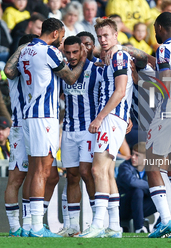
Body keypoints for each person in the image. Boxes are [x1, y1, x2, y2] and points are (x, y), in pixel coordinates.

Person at [4, 17, 87, 237]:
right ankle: (37, 228)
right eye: (61, 35)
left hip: (28, 117)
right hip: (44, 117)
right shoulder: (50, 52)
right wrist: (82, 61)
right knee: (41, 171)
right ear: (56, 32)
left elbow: (9, 71)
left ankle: (29, 226)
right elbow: (69, 79)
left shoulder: (25, 52)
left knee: (34, 171)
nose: (61, 40)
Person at [136, 12, 171, 239]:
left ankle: (166, 222)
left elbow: (165, 82)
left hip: (168, 112)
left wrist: (138, 80)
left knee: (152, 166)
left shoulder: (164, 50)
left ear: (159, 27)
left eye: (155, 29)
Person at [78, 17, 133, 238]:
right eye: (99, 36)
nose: (102, 40)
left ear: (116, 35)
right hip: (115, 117)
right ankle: (114, 227)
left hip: (110, 118)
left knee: (97, 170)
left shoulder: (119, 56)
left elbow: (120, 90)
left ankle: (97, 224)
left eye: (106, 35)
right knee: (108, 172)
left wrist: (100, 118)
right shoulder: (111, 58)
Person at [57, 36, 102, 237]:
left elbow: (109, 94)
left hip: (88, 130)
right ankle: (73, 226)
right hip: (68, 129)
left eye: (75, 52)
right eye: (68, 52)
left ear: (83, 51)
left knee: (86, 172)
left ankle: (97, 223)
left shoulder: (96, 69)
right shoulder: (63, 71)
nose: (72, 56)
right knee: (72, 175)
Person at [116, 142, 157, 233]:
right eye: (133, 154)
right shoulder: (125, 166)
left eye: (137, 155)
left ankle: (159, 226)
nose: (133, 157)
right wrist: (152, 186)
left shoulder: (151, 168)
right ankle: (139, 228)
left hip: (140, 207)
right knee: (138, 191)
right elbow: (132, 183)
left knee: (162, 196)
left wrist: (155, 188)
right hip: (123, 207)